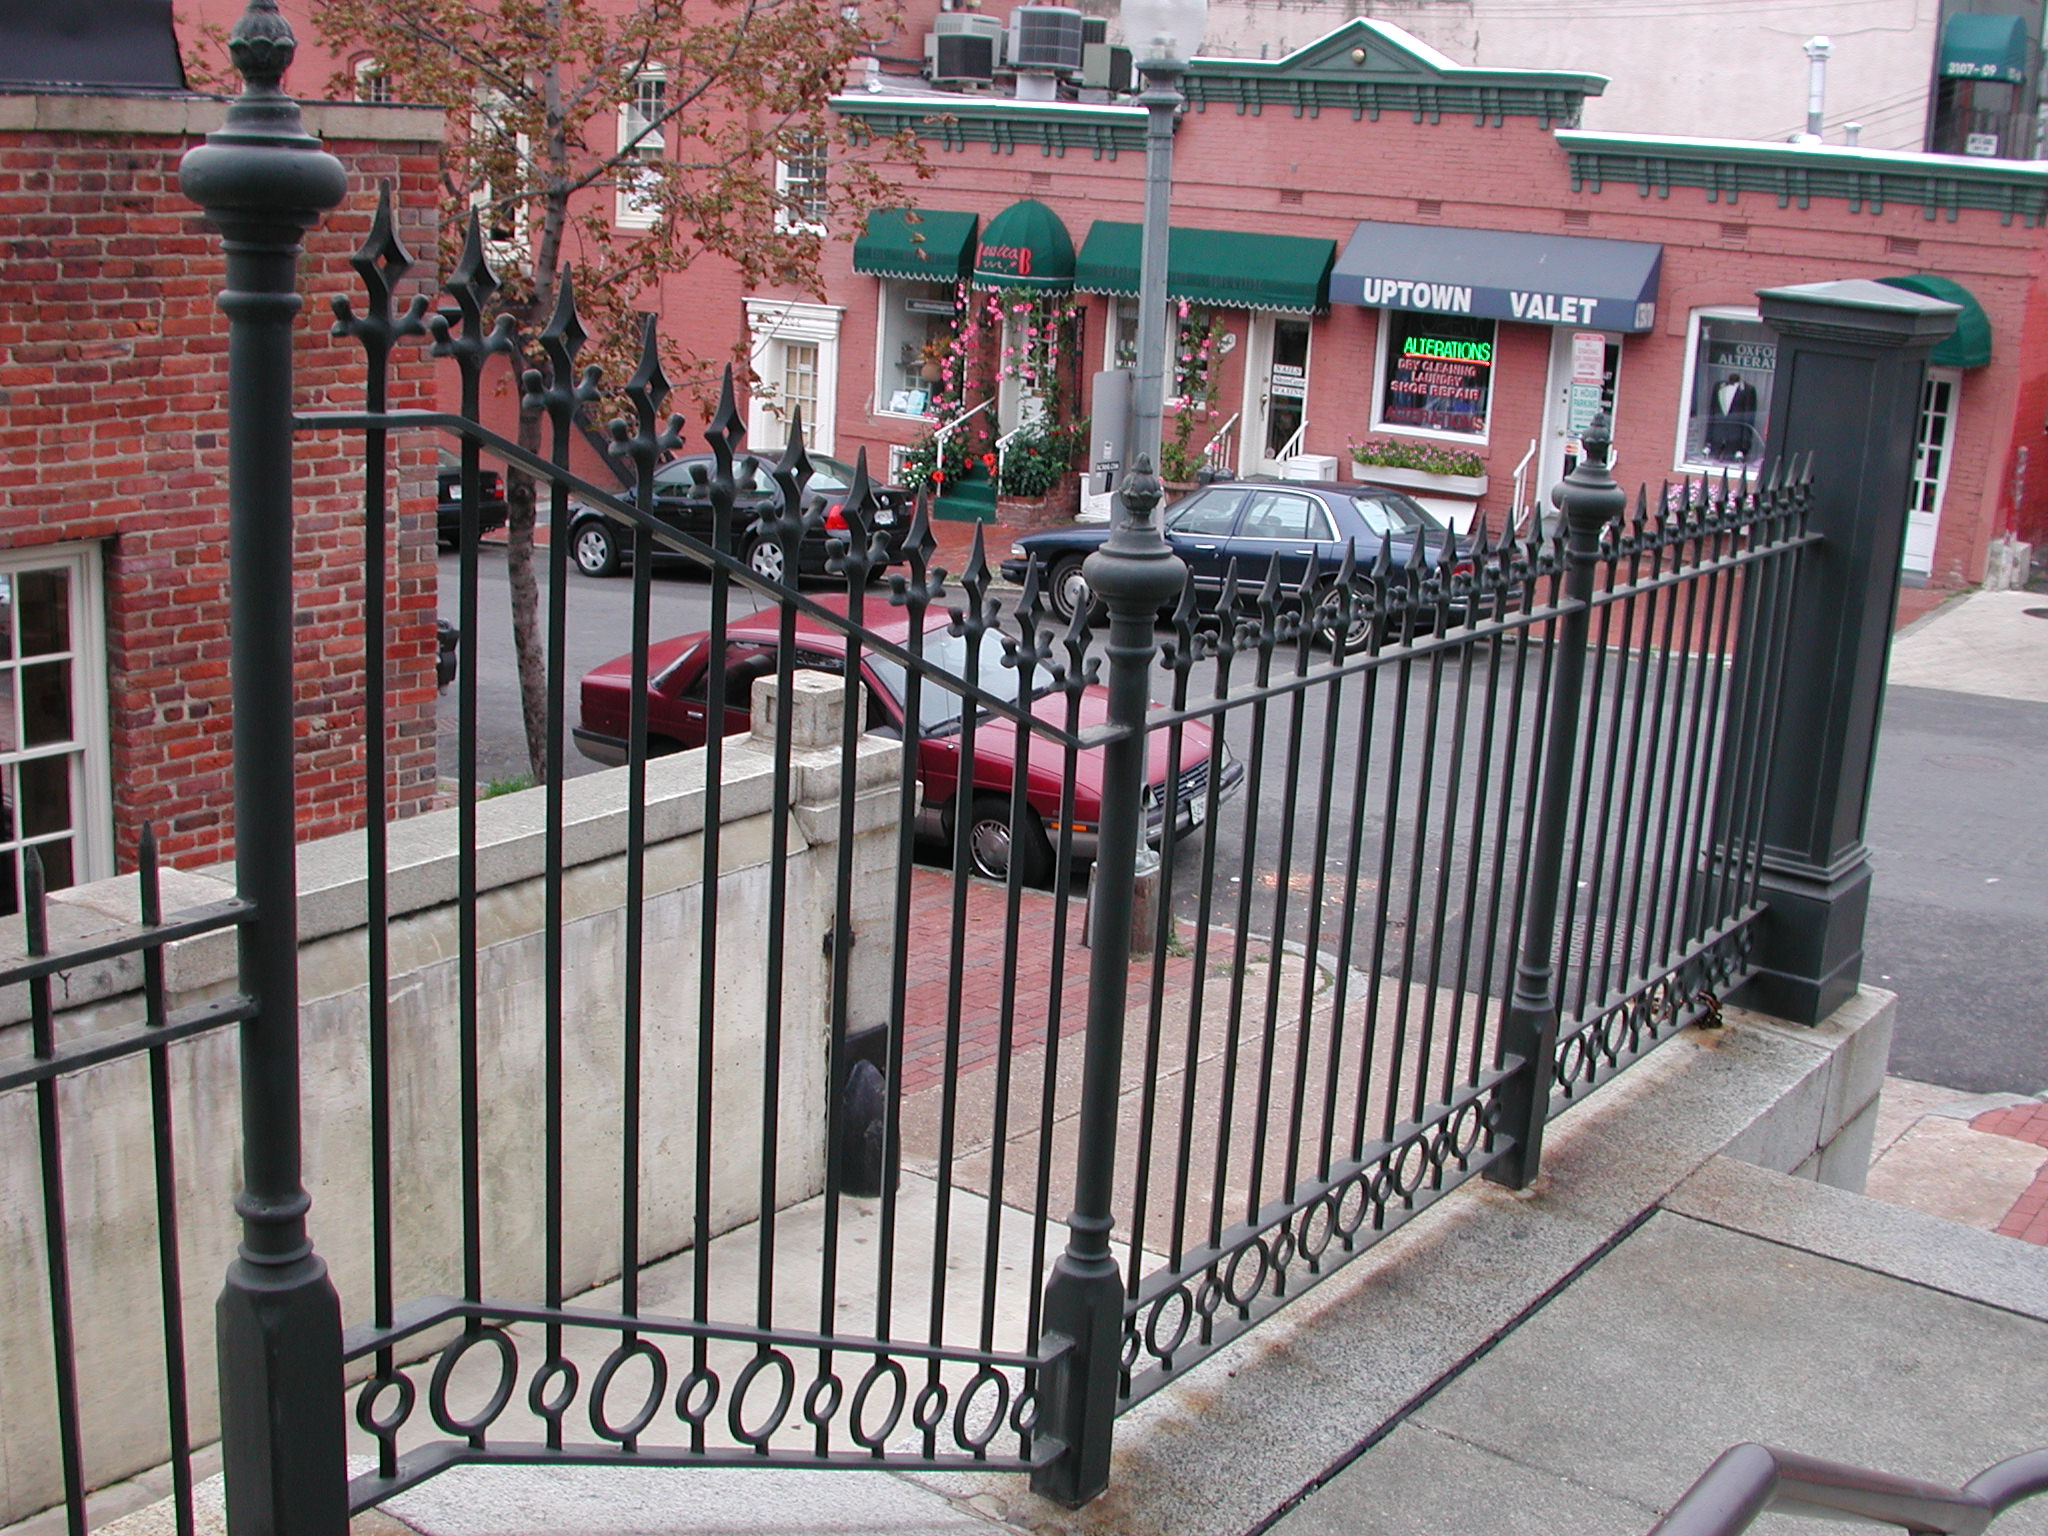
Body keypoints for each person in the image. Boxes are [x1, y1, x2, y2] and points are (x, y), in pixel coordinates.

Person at [1705, 371, 1758, 461]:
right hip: (1717, 439)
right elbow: (1712, 413)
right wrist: (1708, 442)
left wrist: (1744, 447)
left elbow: (1748, 419)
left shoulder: (1748, 390)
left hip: (1736, 441)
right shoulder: (1718, 387)